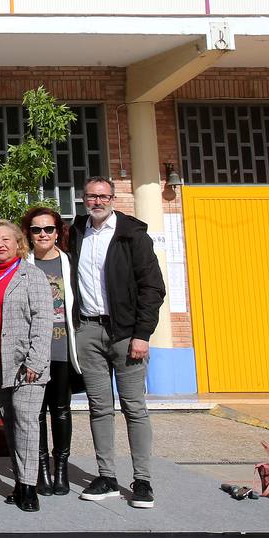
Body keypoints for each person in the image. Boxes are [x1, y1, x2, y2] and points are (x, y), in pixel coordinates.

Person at [70, 176, 166, 509]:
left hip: (127, 334)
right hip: (89, 331)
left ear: (113, 198)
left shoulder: (132, 236)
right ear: (83, 199)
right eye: (90, 197)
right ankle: (107, 476)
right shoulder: (77, 232)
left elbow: (152, 289)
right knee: (99, 407)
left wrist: (143, 334)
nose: (96, 202)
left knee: (134, 408)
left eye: (102, 196)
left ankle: (142, 481)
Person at [0, 219, 51, 513]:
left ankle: (29, 489)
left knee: (27, 424)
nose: (0, 245)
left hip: (25, 364)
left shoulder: (31, 275)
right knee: (10, 425)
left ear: (19, 243)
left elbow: (43, 320)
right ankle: (20, 481)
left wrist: (36, 360)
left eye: (6, 239)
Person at [22, 204, 80, 496]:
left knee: (61, 410)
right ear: (29, 234)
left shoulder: (70, 263)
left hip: (62, 348)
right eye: (36, 229)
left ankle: (61, 469)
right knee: (37, 412)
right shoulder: (24, 265)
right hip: (34, 352)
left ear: (58, 233)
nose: (43, 234)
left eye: (48, 229)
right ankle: (41, 468)